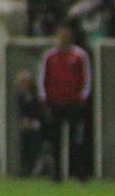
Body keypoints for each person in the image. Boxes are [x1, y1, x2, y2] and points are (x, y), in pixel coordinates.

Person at [38, 23, 92, 181]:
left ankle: (79, 172)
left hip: (74, 102)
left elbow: (87, 77)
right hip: (55, 102)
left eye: (65, 33)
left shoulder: (79, 55)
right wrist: (44, 97)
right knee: (55, 139)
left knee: (76, 139)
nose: (62, 37)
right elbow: (43, 77)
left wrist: (83, 96)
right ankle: (57, 174)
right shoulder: (49, 56)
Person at [14, 69, 48, 176]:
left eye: (25, 82)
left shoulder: (37, 95)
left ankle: (34, 167)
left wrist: (35, 121)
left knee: (35, 146)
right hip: (26, 126)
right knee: (24, 146)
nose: (23, 84)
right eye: (22, 82)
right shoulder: (20, 96)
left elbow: (41, 111)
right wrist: (24, 121)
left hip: (38, 126)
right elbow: (20, 111)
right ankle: (25, 168)